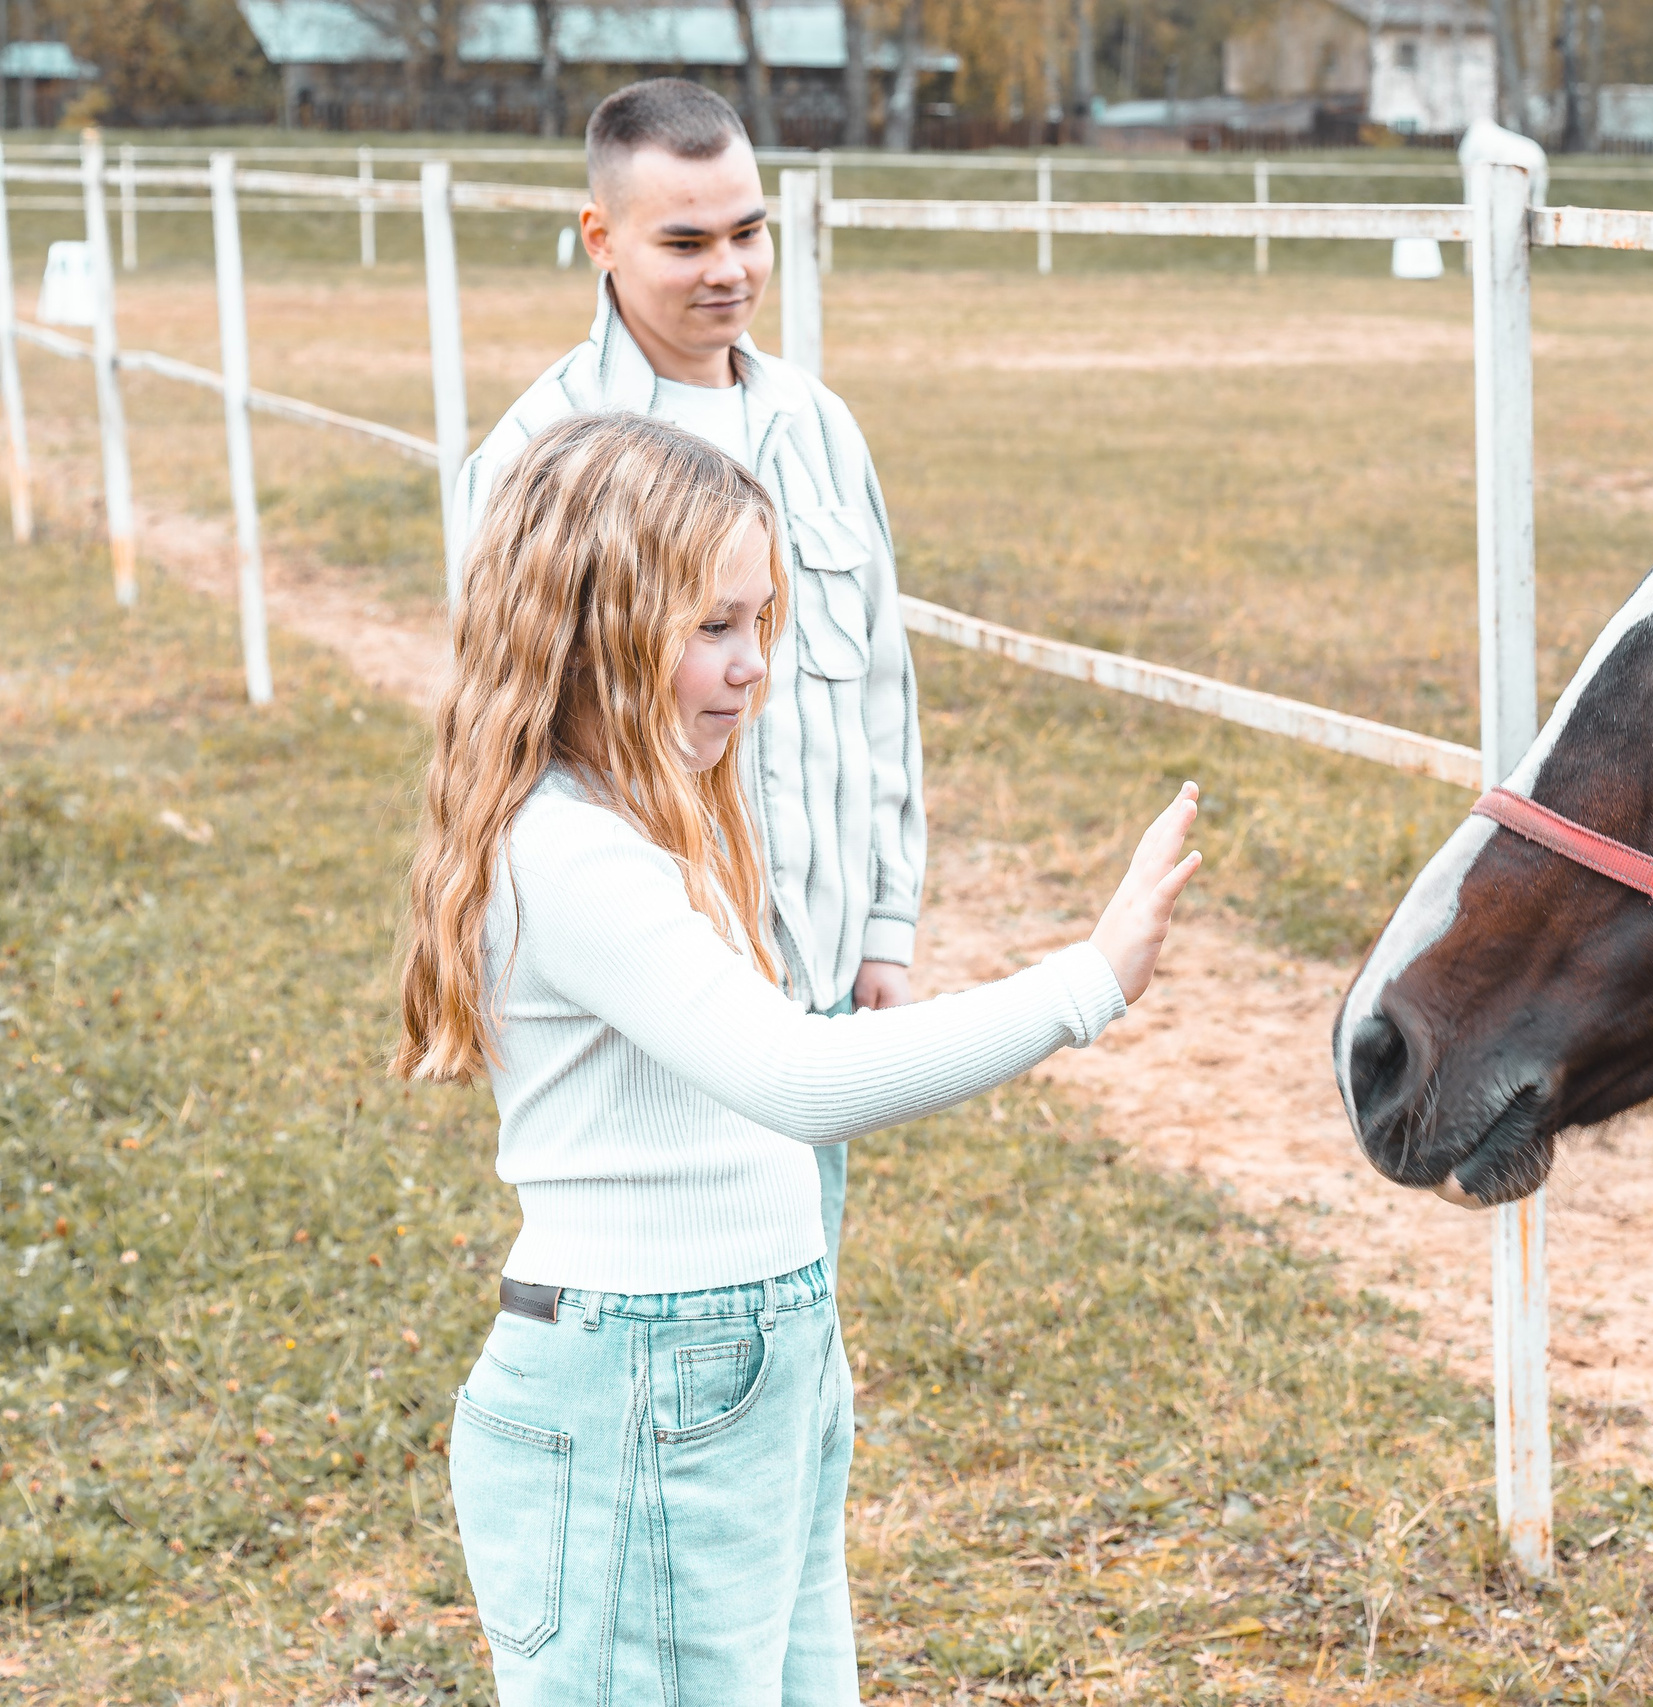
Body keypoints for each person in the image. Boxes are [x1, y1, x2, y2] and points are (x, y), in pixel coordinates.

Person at [398, 412, 1199, 1702]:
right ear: (593, 627)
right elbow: (798, 1081)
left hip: (750, 1353)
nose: (753, 664)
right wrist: (1086, 983)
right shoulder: (569, 854)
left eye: (761, 620)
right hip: (644, 1379)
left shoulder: (651, 826)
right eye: (713, 626)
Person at [457, 77, 905, 1281]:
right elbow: (508, 737)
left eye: (749, 232)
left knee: (802, 1282)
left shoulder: (819, 427)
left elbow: (881, 691)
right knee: (683, 1300)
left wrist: (886, 921)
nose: (730, 270)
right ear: (599, 237)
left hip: (815, 972)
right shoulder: (536, 459)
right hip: (654, 995)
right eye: (686, 242)